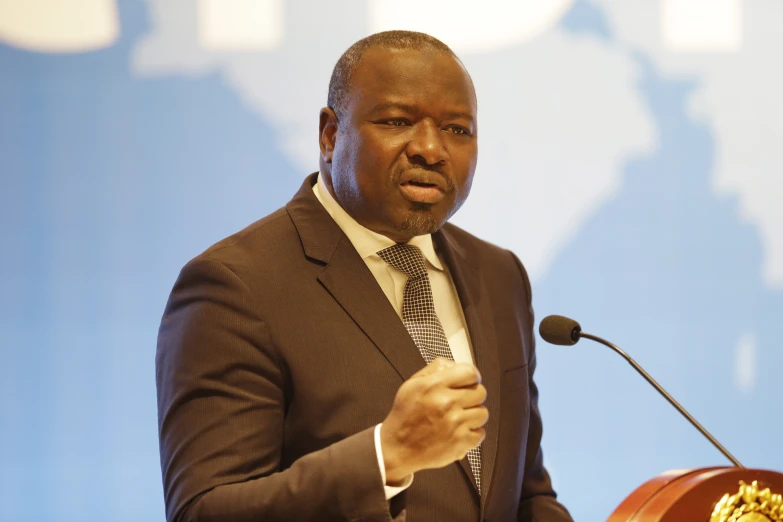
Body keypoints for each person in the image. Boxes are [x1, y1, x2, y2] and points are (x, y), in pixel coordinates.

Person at [156, 30, 572, 522]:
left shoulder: (499, 275)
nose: (431, 149)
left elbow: (525, 495)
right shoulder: (235, 286)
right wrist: (385, 457)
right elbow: (204, 511)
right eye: (397, 121)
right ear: (330, 135)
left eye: (457, 129)